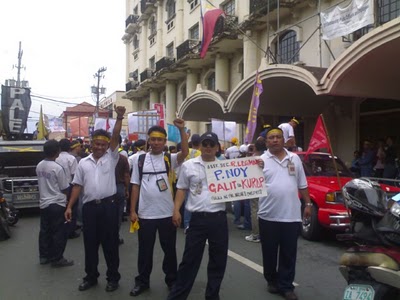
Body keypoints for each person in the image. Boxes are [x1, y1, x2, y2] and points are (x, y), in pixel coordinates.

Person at [64, 105, 126, 293]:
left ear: (107, 146)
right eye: (96, 144)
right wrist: (69, 206)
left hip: (109, 207)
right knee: (90, 245)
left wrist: (119, 117)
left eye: (103, 144)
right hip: (89, 209)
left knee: (110, 245)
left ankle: (113, 278)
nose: (99, 147)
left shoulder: (112, 157)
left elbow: (115, 136)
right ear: (91, 144)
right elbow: (77, 186)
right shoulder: (83, 163)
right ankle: (90, 277)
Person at [129, 119, 189, 297]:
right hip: (145, 215)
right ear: (148, 141)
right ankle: (142, 282)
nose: (156, 143)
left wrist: (181, 130)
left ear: (164, 142)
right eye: (153, 139)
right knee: (144, 251)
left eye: (159, 139)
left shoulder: (168, 159)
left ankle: (172, 280)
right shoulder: (139, 160)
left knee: (169, 250)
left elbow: (185, 152)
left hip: (166, 213)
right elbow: (134, 186)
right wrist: (132, 211)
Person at [167, 132, 228, 300]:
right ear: (200, 146)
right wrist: (176, 209)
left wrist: (256, 166)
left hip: (219, 219)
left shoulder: (226, 167)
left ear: (217, 148)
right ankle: (178, 296)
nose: (208, 147)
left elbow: (245, 179)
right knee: (189, 261)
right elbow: (181, 188)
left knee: (218, 261)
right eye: (205, 144)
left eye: (211, 144)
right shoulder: (189, 165)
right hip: (197, 220)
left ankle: (212, 295)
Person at [259, 127, 312, 300]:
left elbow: (302, 184)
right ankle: (271, 280)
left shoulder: (294, 158)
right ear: (266, 142)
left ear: (284, 140)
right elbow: (247, 186)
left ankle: (286, 286)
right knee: (269, 252)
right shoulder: (260, 161)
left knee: (289, 253)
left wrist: (308, 204)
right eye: (271, 138)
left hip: (291, 215)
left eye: (278, 137)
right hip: (267, 215)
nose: (275, 140)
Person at [36, 139, 73, 267]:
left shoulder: (39, 165)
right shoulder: (57, 168)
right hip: (57, 203)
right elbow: (64, 187)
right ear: (57, 152)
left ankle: (44, 256)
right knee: (59, 232)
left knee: (45, 230)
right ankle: (57, 258)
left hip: (44, 203)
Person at [55, 138, 79, 239]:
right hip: (70, 186)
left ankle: (60, 229)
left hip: (57, 187)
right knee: (72, 208)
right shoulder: (71, 158)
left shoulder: (55, 158)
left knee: (60, 208)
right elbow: (75, 175)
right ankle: (70, 231)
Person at [245, 139, 267, 243]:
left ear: (256, 147)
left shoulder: (253, 158)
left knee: (254, 210)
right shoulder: (268, 158)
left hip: (255, 187)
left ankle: (255, 234)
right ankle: (265, 233)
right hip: (266, 187)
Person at [115, 152, 130, 245]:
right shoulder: (123, 159)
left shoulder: (103, 157)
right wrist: (127, 189)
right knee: (118, 215)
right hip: (119, 187)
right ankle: (115, 236)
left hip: (106, 187)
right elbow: (126, 175)